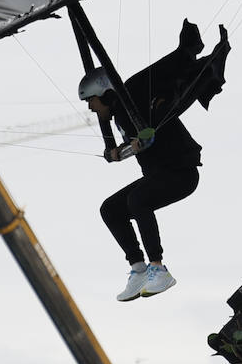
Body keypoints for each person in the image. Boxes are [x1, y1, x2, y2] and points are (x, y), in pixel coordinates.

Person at [80, 19, 230, 302]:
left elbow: (160, 83)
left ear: (106, 95)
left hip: (181, 173)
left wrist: (137, 141)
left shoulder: (133, 99)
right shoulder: (118, 115)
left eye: (92, 101)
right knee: (110, 209)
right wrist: (117, 150)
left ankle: (159, 269)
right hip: (159, 175)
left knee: (138, 201)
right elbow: (130, 142)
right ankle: (138, 269)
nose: (90, 107)